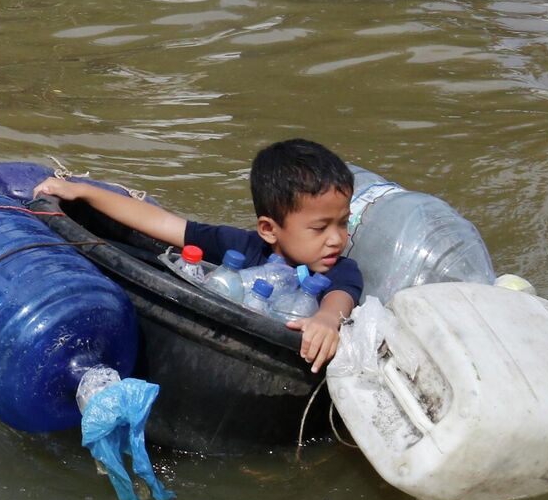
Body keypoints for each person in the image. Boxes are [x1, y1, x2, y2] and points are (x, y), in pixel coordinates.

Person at [33, 138, 361, 372]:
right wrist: (84, 191)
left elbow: (339, 299)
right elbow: (163, 223)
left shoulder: (338, 270)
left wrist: (326, 321)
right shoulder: (243, 248)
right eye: (320, 229)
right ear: (269, 229)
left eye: (343, 223)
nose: (336, 239)